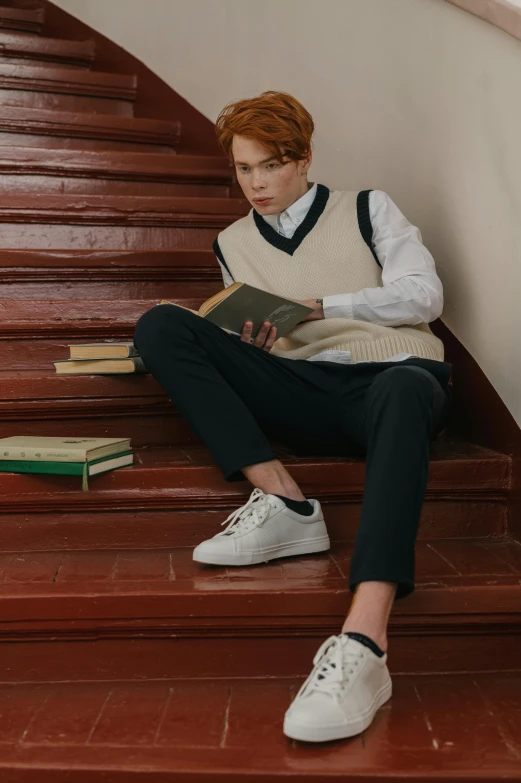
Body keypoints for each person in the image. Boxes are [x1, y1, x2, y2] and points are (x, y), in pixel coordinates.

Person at [133, 90, 452, 744]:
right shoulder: (230, 241)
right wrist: (248, 338)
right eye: (244, 169)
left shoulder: (366, 208)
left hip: (390, 377)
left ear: (303, 159)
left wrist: (321, 304)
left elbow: (426, 294)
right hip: (302, 385)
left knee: (406, 388)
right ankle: (283, 501)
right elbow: (259, 338)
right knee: (162, 324)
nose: (256, 183)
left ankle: (365, 639)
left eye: (270, 165)